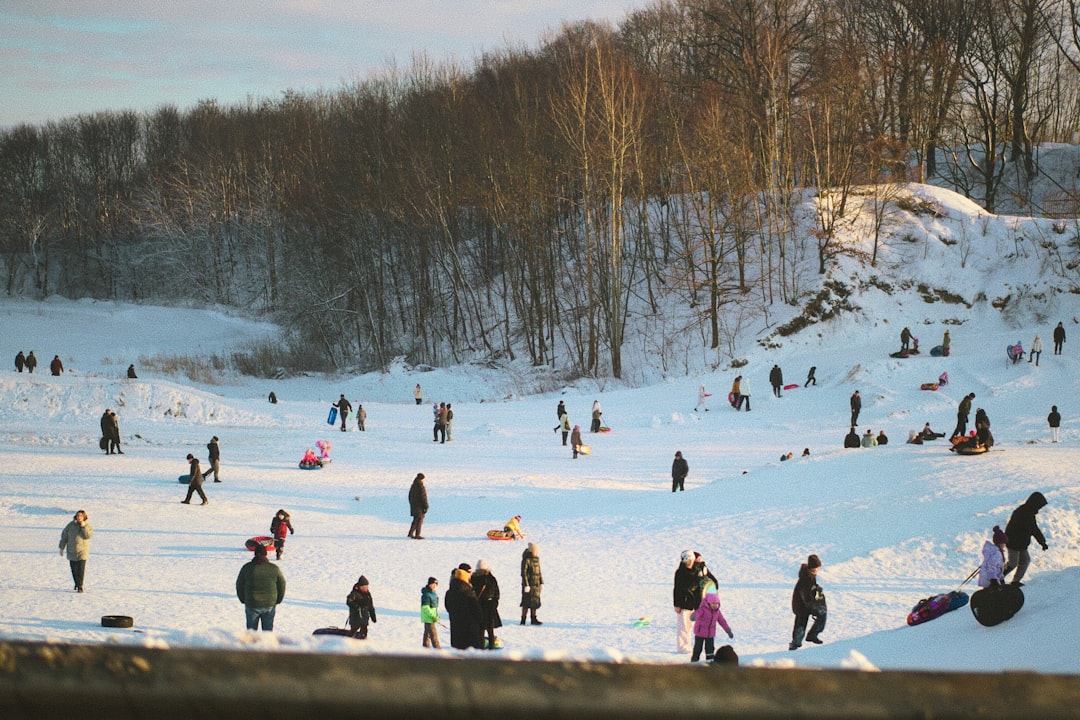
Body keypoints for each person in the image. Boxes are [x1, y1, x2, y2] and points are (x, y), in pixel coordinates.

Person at [673, 550, 718, 653]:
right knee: (684, 627)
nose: (686, 562)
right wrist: (677, 604)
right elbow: (678, 588)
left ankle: (706, 648)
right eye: (684, 560)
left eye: (688, 559)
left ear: (692, 559)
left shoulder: (701, 569)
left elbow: (712, 582)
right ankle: (683, 648)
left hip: (699, 603)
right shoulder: (680, 572)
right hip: (685, 603)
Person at [235, 543, 286, 631]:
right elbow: (282, 584)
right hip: (269, 604)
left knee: (251, 634)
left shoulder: (247, 568)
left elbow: (239, 584)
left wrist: (243, 599)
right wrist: (277, 600)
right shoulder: (274, 568)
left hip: (251, 603)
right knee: (267, 633)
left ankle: (251, 644)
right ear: (266, 554)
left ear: (255, 554)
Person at [1003, 492, 1049, 586]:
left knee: (1025, 561)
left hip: (1022, 544)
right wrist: (1042, 542)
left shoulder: (1029, 513)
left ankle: (1015, 582)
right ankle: (996, 579)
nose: (1039, 509)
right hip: (1013, 543)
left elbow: (1033, 529)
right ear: (1035, 503)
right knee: (1013, 563)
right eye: (1039, 506)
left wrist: (1042, 542)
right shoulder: (1023, 513)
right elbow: (1033, 529)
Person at [790, 554, 826, 650]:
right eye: (815, 569)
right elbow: (806, 595)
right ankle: (795, 645)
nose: (817, 570)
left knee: (821, 615)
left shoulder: (810, 574)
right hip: (801, 606)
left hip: (807, 604)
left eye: (817, 568)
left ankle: (811, 636)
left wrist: (816, 589)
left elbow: (810, 589)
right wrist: (813, 607)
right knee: (800, 626)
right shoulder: (806, 578)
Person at [445, 565, 483, 649]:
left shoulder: (449, 592)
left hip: (456, 631)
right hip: (470, 631)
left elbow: (448, 607)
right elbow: (477, 611)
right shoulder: (468, 592)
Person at [691, 591, 733, 663]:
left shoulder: (717, 612)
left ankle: (710, 662)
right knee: (698, 649)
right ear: (708, 603)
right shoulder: (703, 609)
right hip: (700, 633)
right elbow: (697, 613)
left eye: (716, 604)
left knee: (710, 649)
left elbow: (722, 621)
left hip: (710, 634)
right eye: (713, 603)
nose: (715, 605)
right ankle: (694, 661)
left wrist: (728, 630)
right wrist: (693, 616)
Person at [58, 509, 93, 593]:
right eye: (78, 515)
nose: (79, 517)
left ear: (84, 517)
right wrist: (61, 548)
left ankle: (80, 586)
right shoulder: (70, 525)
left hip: (82, 551)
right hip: (71, 551)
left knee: (80, 569)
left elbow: (87, 536)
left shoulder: (87, 526)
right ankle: (76, 583)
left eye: (81, 516)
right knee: (74, 569)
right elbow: (64, 536)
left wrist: (83, 526)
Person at [471, 559, 502, 649]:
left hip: (479, 605)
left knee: (481, 629)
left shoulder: (473, 578)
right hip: (490, 606)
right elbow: (497, 593)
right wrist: (494, 604)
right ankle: (491, 647)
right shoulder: (491, 578)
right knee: (490, 629)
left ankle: (481, 647)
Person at [346, 574, 377, 639]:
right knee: (353, 630)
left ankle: (362, 642)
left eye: (366, 586)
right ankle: (347, 641)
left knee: (364, 631)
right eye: (363, 586)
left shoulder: (368, 594)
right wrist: (356, 606)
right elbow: (349, 601)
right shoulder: (354, 593)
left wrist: (373, 616)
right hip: (355, 617)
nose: (365, 588)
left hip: (364, 617)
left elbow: (370, 606)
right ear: (360, 586)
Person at [520, 542, 543, 625]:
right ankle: (523, 620)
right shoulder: (526, 560)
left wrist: (541, 582)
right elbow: (524, 573)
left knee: (534, 602)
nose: (536, 552)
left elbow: (539, 572)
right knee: (526, 603)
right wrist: (526, 585)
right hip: (529, 585)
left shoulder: (536, 560)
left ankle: (533, 619)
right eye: (535, 551)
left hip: (536, 585)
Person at [421, 576, 441, 648]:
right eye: (433, 585)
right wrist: (433, 617)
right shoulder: (426, 595)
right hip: (429, 618)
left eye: (436, 585)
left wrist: (436, 616)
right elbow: (425, 608)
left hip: (432, 617)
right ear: (430, 584)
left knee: (427, 634)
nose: (435, 586)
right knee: (433, 635)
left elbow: (434, 607)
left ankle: (425, 649)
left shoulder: (433, 594)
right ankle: (438, 650)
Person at [408, 473, 428, 539]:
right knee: (419, 520)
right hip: (420, 506)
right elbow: (423, 497)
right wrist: (426, 506)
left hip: (414, 505)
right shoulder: (421, 486)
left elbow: (409, 496)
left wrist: (412, 503)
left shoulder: (413, 486)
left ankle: (410, 533)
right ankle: (417, 534)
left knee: (415, 520)